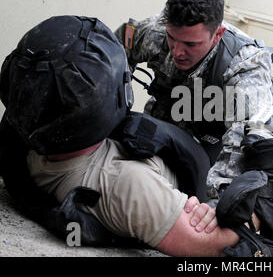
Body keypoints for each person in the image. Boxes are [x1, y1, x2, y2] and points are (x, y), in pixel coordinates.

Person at [0, 15, 252, 257]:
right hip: (190, 169)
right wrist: (261, 211)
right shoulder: (128, 185)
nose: (177, 51)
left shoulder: (21, 130)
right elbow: (221, 245)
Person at [114, 0, 273, 207]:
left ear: (217, 35)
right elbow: (112, 52)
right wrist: (115, 111)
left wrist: (217, 204)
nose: (177, 52)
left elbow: (243, 139)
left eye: (190, 44)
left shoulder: (246, 64)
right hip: (166, 126)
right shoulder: (156, 33)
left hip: (217, 144)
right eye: (172, 38)